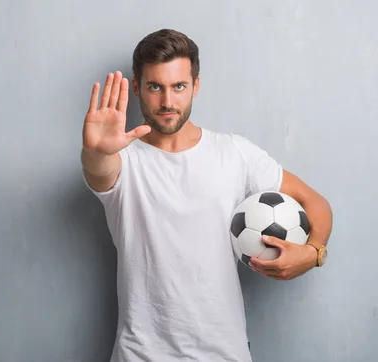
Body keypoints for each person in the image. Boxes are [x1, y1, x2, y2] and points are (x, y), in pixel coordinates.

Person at [80, 29, 333, 362]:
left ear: (195, 86)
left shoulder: (235, 153)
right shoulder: (124, 160)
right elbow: (99, 170)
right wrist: (95, 151)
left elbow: (315, 203)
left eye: (179, 86)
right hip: (139, 355)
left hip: (223, 354)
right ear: (137, 88)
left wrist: (314, 253)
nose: (168, 101)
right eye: (155, 87)